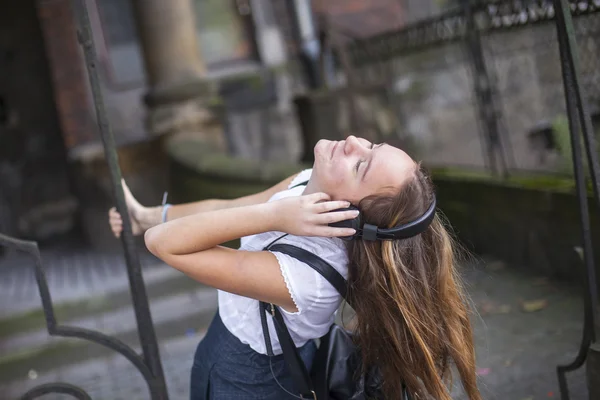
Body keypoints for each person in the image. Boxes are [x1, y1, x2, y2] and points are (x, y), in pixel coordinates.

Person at [108, 135, 481, 400]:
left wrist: (274, 214)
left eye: (360, 165)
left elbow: (163, 244)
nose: (353, 141)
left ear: (349, 214)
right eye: (372, 145)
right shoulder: (308, 183)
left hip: (248, 379)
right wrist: (146, 215)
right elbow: (230, 208)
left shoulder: (309, 279)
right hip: (221, 342)